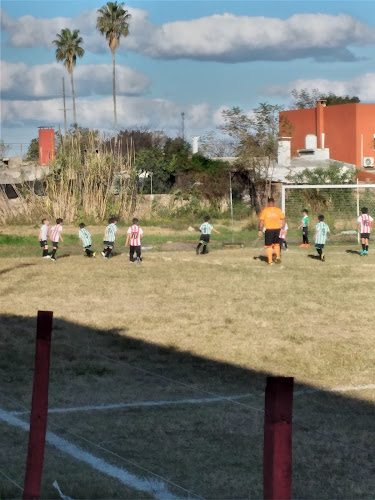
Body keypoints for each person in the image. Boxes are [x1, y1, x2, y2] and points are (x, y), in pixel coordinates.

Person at [258, 198, 285, 265]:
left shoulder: (265, 211)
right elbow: (283, 220)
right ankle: (278, 257)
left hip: (269, 230)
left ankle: (270, 261)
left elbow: (261, 221)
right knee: (276, 244)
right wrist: (283, 228)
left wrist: (260, 230)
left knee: (268, 245)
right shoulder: (278, 210)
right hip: (277, 229)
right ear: (274, 203)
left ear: (268, 203)